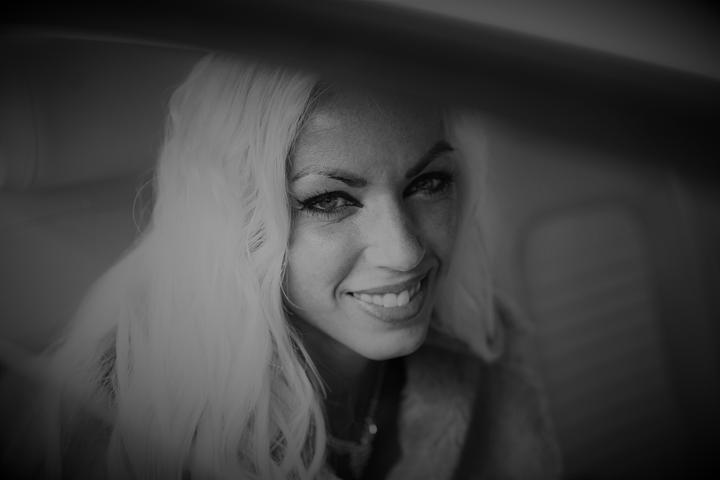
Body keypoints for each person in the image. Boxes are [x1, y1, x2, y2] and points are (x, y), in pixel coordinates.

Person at [1, 54, 561, 479]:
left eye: (429, 182)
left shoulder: (487, 350)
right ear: (242, 221)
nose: (405, 252)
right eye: (330, 200)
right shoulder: (122, 420)